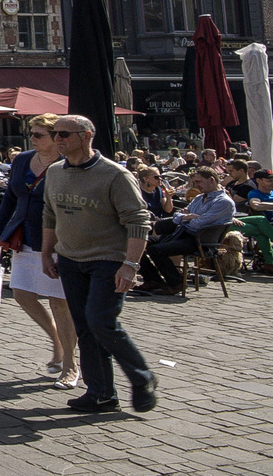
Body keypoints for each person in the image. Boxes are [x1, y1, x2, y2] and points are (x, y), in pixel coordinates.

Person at [40, 115, 157, 414]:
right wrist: (46, 253)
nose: (58, 139)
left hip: (108, 260)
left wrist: (130, 264)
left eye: (65, 133)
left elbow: (138, 220)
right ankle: (101, 394)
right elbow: (50, 215)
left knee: (100, 320)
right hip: (70, 260)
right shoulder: (54, 173)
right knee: (85, 328)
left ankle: (142, 377)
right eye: (55, 133)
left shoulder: (115, 175)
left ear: (87, 135)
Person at [0, 116, 81, 391]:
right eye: (31, 133)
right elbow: (10, 196)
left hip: (56, 239)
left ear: (56, 137)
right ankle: (57, 341)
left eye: (39, 135)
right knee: (22, 294)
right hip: (24, 236)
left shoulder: (68, 164)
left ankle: (70, 365)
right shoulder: (22, 160)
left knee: (59, 302)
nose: (32, 138)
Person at [137, 167, 235, 295]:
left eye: (198, 182)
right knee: (138, 242)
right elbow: (177, 215)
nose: (196, 186)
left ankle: (177, 283)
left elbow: (197, 225)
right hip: (181, 234)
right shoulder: (199, 198)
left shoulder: (223, 202)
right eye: (194, 182)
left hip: (200, 240)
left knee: (156, 250)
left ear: (211, 180)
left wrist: (189, 218)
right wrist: (187, 217)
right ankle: (153, 280)